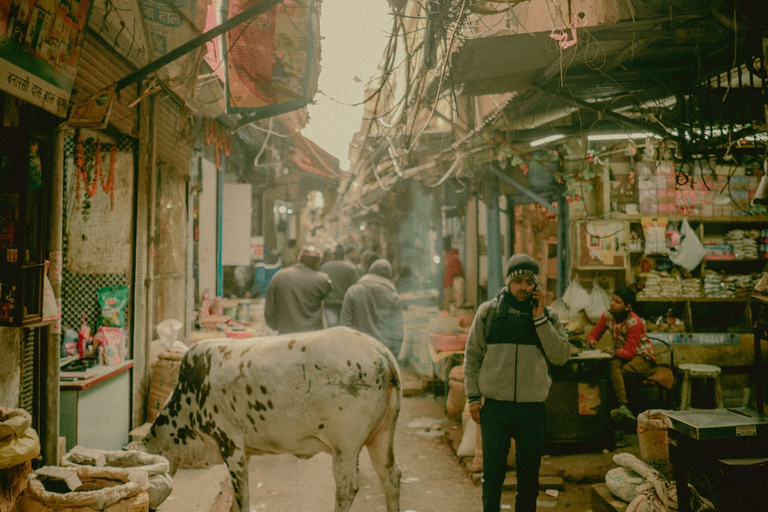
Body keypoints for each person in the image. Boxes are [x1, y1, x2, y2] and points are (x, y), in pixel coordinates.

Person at [464, 254, 570, 512]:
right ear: (508, 282)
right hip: (495, 408)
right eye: (518, 281)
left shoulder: (549, 317)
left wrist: (539, 319)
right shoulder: (488, 313)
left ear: (536, 285)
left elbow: (561, 357)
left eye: (529, 281)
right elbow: (472, 356)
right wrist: (473, 398)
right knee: (493, 477)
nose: (523, 287)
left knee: (529, 479)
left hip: (531, 409)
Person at [586, 286, 657, 427]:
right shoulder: (608, 315)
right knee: (611, 367)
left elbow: (630, 352)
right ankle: (622, 408)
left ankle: (621, 412)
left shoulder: (634, 322)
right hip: (623, 354)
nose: (612, 303)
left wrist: (613, 351)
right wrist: (591, 340)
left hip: (644, 357)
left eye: (617, 302)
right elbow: (594, 334)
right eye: (612, 299)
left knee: (619, 375)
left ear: (627, 307)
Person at [340, 258, 404, 358]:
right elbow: (397, 331)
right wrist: (393, 356)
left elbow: (344, 324)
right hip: (383, 351)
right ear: (389, 277)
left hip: (358, 350)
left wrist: (348, 351)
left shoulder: (353, 291)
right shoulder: (394, 297)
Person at [264, 245, 331, 334]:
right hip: (313, 334)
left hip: (286, 333)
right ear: (317, 263)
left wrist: (274, 325)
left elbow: (270, 306)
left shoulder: (280, 275)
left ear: (299, 259)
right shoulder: (322, 279)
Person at [319, 244, 359, 328]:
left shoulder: (325, 267)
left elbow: (320, 285)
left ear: (333, 256)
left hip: (329, 303)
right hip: (345, 303)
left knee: (332, 328)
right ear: (344, 256)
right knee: (344, 329)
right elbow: (355, 287)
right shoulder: (351, 267)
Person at [443, 235, 464, 309]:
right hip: (447, 285)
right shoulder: (446, 256)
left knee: (449, 306)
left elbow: (459, 272)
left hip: (451, 286)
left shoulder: (452, 256)